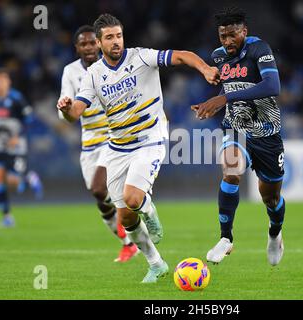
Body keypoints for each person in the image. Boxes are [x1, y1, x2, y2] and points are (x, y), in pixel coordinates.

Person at [57, 14, 219, 283]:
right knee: (125, 217)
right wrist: (67, 110)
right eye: (109, 37)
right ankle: (156, 264)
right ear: (99, 43)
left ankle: (150, 211)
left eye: (118, 35)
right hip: (117, 147)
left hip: (150, 138)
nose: (116, 41)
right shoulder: (94, 74)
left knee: (134, 199)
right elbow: (77, 110)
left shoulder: (141, 57)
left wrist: (203, 69)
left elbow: (181, 55)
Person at [191, 7, 286, 266]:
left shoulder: (259, 49)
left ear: (244, 32)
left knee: (271, 197)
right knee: (231, 169)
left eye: (233, 35)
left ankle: (275, 233)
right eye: (223, 36)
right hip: (235, 127)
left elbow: (272, 86)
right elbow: (231, 86)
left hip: (267, 132)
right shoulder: (218, 56)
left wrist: (224, 97)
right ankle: (225, 238)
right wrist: (212, 100)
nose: (227, 42)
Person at [59, 25, 138, 263]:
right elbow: (67, 111)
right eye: (83, 44)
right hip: (89, 145)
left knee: (99, 188)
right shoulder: (71, 72)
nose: (89, 47)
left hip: (112, 137)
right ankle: (128, 244)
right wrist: (65, 108)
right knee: (101, 199)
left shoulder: (111, 67)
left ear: (99, 43)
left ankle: (138, 222)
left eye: (93, 42)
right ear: (77, 48)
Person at [0, 68, 43, 228]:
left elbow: (30, 119)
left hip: (16, 148)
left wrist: (17, 136)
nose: (0, 83)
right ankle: (7, 217)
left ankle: (28, 177)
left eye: (3, 80)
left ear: (8, 82)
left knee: (12, 181)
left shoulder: (16, 99)